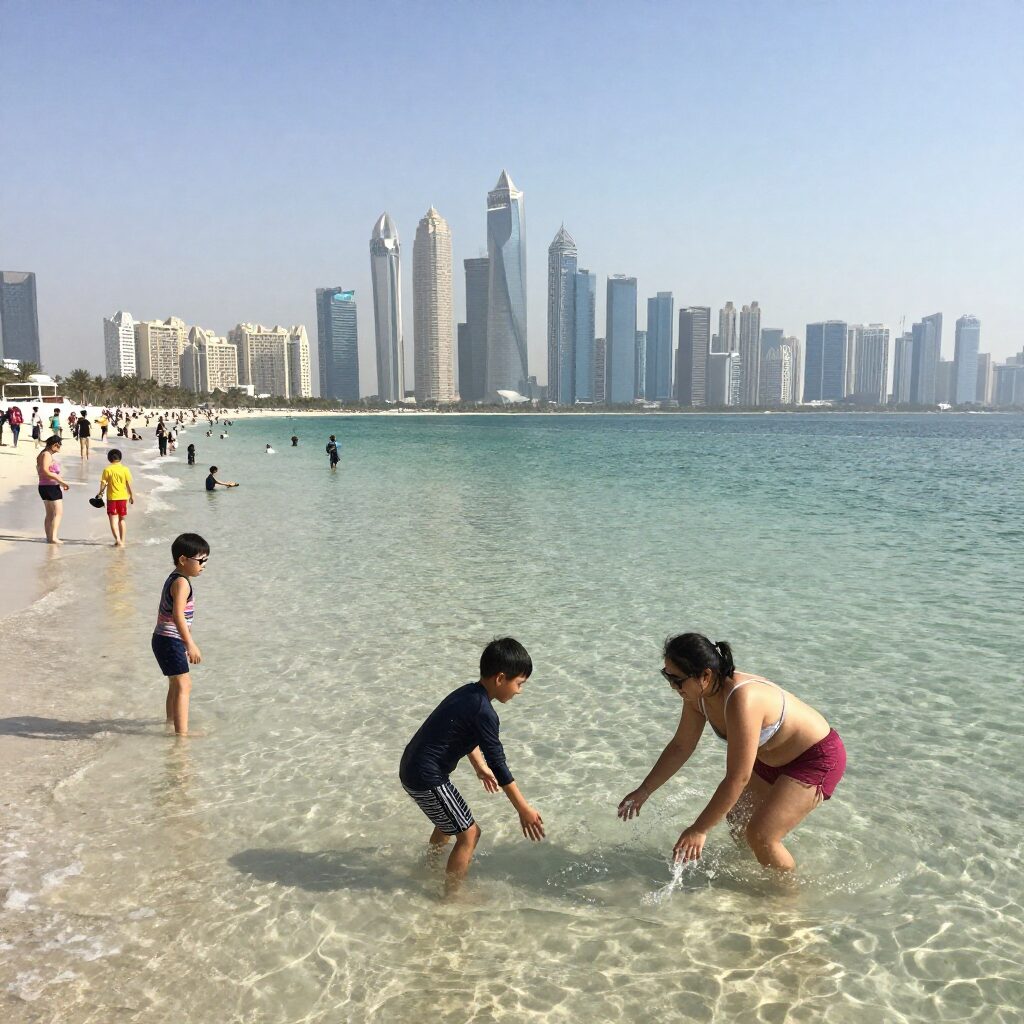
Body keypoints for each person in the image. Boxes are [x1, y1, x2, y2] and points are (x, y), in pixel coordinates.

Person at [617, 633, 847, 873]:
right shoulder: (697, 697)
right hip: (770, 758)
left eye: (677, 679)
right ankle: (755, 875)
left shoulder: (742, 699)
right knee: (738, 820)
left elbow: (738, 777)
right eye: (667, 676)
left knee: (762, 835)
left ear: (705, 675)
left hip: (815, 758)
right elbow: (681, 746)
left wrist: (699, 829)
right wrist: (644, 790)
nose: (673, 686)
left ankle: (787, 901)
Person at [399, 637, 545, 886]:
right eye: (519, 684)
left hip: (412, 768)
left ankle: (430, 868)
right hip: (425, 776)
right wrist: (523, 809)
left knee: (447, 824)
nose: (519, 691)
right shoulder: (484, 712)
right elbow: (499, 764)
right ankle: (453, 899)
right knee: (470, 834)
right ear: (500, 678)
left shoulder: (469, 693)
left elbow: (463, 732)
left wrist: (479, 767)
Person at [152, 533, 210, 736]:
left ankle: (170, 723)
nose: (204, 565)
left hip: (163, 639)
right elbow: (177, 615)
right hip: (170, 639)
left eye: (206, 561)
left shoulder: (174, 578)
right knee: (184, 684)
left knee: (175, 684)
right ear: (183, 560)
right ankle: (182, 734)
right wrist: (190, 643)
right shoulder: (182, 583)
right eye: (201, 560)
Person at [96, 448, 134, 547]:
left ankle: (118, 540)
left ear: (109, 459)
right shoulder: (125, 469)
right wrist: (131, 496)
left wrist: (100, 494)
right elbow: (128, 484)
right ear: (120, 458)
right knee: (122, 519)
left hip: (112, 498)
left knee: (113, 520)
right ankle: (123, 541)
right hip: (123, 498)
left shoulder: (107, 469)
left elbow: (103, 484)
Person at [36, 436, 70, 544]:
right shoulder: (46, 454)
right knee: (58, 513)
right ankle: (53, 537)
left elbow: (40, 470)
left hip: (44, 486)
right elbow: (45, 471)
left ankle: (49, 537)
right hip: (50, 487)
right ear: (54, 445)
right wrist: (60, 481)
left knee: (50, 514)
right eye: (59, 445)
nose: (60, 447)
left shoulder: (44, 454)